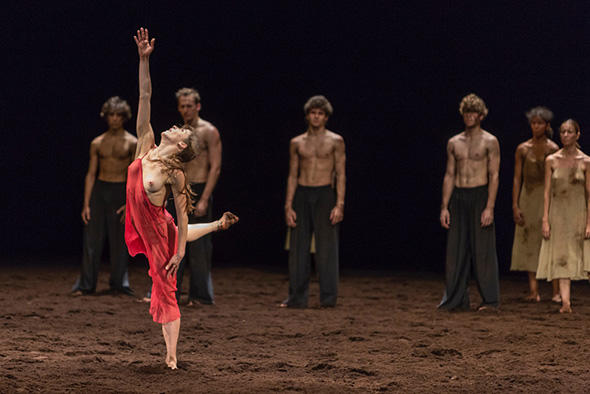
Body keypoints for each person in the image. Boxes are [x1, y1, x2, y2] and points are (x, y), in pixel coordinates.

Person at [127, 28, 238, 369]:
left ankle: (172, 356)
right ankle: (218, 225)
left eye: (181, 133)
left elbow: (182, 214)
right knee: (172, 229)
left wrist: (179, 254)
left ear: (182, 148)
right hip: (145, 222)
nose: (175, 127)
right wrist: (144, 60)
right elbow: (145, 96)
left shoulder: (175, 174)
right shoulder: (145, 141)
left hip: (158, 231)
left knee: (165, 287)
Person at [281, 95, 345, 308]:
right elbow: (292, 174)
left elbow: (341, 173)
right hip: (301, 193)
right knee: (298, 247)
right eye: (313, 113)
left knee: (327, 248)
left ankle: (328, 298)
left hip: (325, 193)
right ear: (308, 116)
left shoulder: (335, 141)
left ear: (326, 117)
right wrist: (288, 205)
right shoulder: (297, 142)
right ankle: (297, 297)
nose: (316, 117)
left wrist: (340, 204)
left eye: (320, 113)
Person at [439, 93, 500, 311]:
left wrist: (490, 207)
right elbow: (448, 174)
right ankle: (455, 299)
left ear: (481, 115)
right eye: (466, 112)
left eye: (473, 112)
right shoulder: (454, 142)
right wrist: (444, 206)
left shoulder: (490, 141)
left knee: (482, 250)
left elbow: (494, 175)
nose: (469, 116)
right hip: (458, 196)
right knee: (455, 250)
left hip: (480, 195)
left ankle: (490, 300)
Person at [72, 97, 137, 296]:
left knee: (119, 240)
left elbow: (135, 175)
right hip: (100, 190)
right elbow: (91, 173)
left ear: (124, 117)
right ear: (106, 116)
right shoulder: (97, 142)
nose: (115, 119)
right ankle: (86, 284)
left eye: (118, 115)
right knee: (92, 239)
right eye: (111, 115)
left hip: (120, 190)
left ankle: (119, 283)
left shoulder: (132, 142)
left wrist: (130, 203)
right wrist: (86, 203)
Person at [167, 87, 222, 306]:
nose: (186, 110)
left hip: (199, 188)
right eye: (182, 106)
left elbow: (215, 167)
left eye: (190, 105)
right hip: (178, 188)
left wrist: (205, 198)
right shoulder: (177, 132)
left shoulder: (209, 131)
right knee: (172, 241)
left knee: (199, 246)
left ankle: (199, 295)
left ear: (198, 106)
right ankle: (171, 293)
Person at [536, 119, 590, 313]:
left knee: (584, 255)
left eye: (569, 132)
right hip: (558, 213)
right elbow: (546, 193)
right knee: (561, 256)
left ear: (577, 134)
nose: (565, 135)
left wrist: (589, 222)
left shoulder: (586, 161)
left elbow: (589, 194)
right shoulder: (552, 160)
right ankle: (566, 302)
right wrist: (545, 219)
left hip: (578, 213)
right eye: (563, 132)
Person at [510, 107, 560, 302]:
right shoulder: (523, 148)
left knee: (550, 241)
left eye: (540, 123)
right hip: (528, 196)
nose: (536, 126)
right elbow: (516, 178)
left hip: (547, 196)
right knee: (528, 240)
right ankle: (534, 290)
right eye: (533, 123)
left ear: (547, 125)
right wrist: (515, 205)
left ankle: (556, 291)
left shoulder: (553, 149)